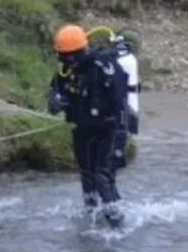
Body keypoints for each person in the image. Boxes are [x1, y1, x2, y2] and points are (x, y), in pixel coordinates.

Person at [47, 24, 130, 228]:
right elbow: (55, 92)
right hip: (83, 128)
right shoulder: (66, 70)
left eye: (68, 56)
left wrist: (96, 113)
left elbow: (119, 101)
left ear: (80, 52)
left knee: (103, 176)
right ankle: (92, 216)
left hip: (108, 129)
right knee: (86, 174)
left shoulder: (104, 67)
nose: (65, 61)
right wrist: (55, 102)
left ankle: (117, 225)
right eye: (62, 56)